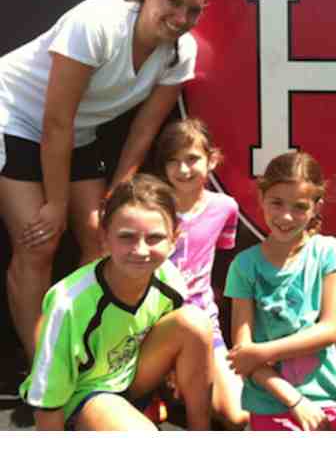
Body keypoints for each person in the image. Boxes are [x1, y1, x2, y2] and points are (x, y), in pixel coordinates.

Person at [0, 0, 217, 358]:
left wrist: (119, 195)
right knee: (39, 242)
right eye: (173, 2)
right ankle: (44, 369)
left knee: (104, 238)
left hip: (76, 133)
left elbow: (142, 132)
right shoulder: (97, 22)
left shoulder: (181, 52)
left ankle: (83, 357)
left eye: (194, 10)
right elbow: (55, 123)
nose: (182, 17)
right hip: (12, 116)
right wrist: (56, 205)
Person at [19, 174, 214, 431]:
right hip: (85, 394)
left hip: (130, 378)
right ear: (104, 237)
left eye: (154, 238)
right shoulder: (68, 302)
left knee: (195, 322)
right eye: (126, 237)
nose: (141, 250)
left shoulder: (171, 280)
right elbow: (48, 401)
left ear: (173, 239)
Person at [225, 151, 336, 431]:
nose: (286, 216)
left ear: (317, 207)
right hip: (269, 401)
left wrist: (262, 352)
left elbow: (329, 330)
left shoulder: (328, 252)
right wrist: (294, 401)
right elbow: (243, 356)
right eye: (277, 203)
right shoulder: (244, 266)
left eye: (299, 207)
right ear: (261, 198)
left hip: (325, 399)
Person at [153, 118, 248, 430]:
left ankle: (185, 386)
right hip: (151, 325)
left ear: (212, 159)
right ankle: (167, 385)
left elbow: (218, 254)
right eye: (173, 160)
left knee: (238, 415)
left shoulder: (225, 208)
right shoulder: (151, 206)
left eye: (192, 159)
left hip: (204, 323)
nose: (183, 169)